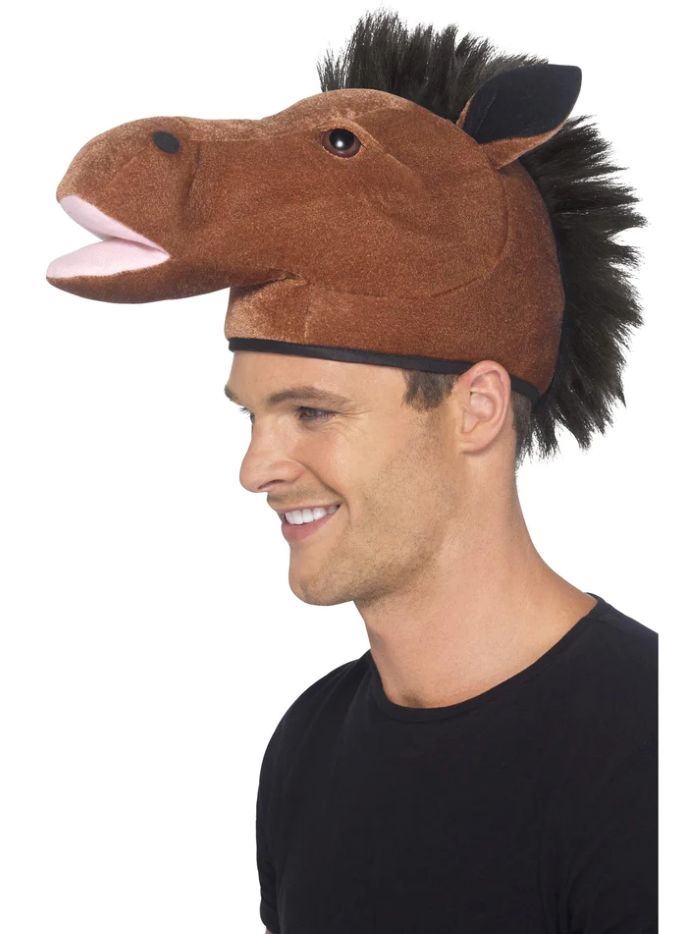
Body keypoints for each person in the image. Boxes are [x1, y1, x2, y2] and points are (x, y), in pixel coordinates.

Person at [46, 9, 658, 933]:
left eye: (313, 412)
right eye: (252, 414)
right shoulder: (308, 748)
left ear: (477, 409)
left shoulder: (652, 753)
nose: (257, 469)